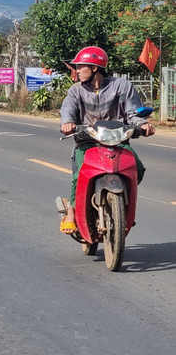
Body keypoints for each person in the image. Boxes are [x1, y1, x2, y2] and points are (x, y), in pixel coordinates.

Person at [58, 46, 153, 233]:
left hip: (118, 141)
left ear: (94, 68)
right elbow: (67, 110)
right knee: (79, 175)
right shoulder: (75, 91)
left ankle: (122, 205)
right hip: (87, 142)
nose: (77, 70)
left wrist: (142, 124)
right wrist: (67, 123)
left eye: (81, 66)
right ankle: (71, 210)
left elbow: (133, 113)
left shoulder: (122, 86)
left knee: (138, 169)